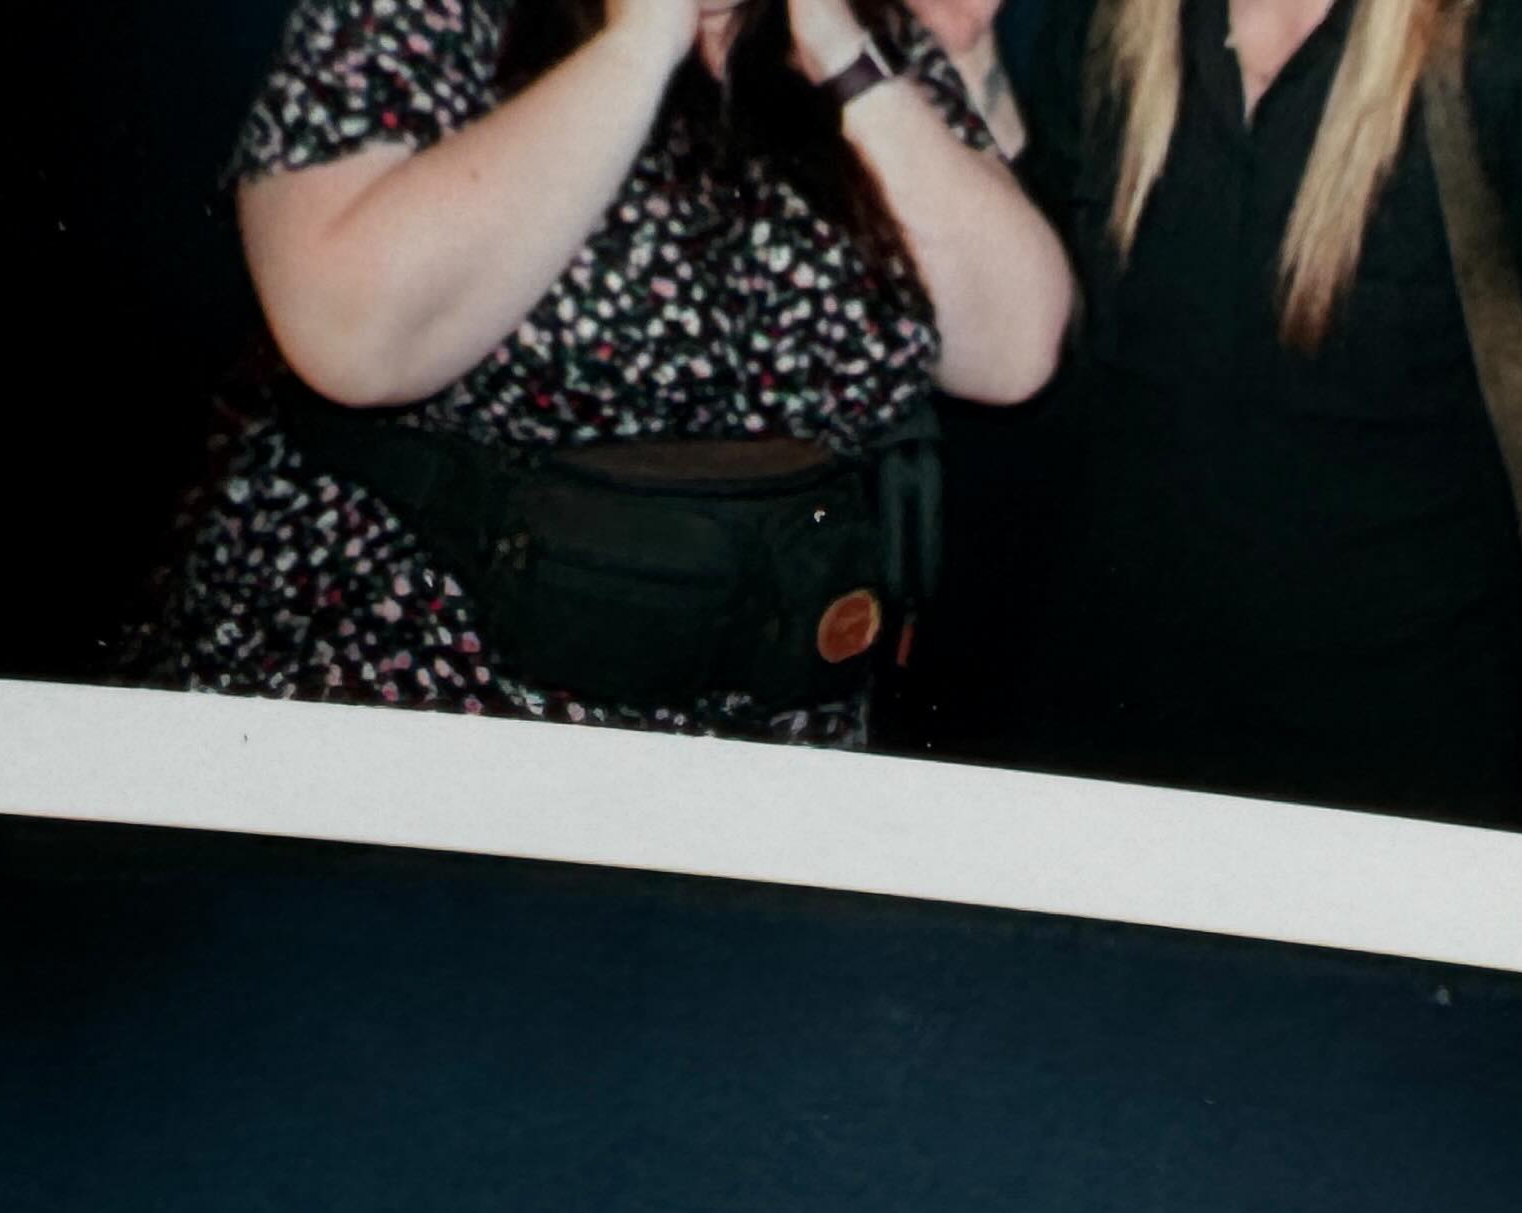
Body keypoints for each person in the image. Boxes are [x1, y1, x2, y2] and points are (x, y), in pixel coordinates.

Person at [908, 0, 1522, 823]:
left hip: (1404, 785)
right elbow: (1052, 344)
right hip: (1105, 754)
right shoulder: (1119, 27)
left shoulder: (1511, 40)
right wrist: (976, 68)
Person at [126, 0, 1071, 740]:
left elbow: (1016, 348)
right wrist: (642, 41)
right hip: (423, 688)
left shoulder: (861, 36)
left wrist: (835, 40)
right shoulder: (427, 13)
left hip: (763, 726)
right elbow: (350, 340)